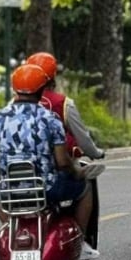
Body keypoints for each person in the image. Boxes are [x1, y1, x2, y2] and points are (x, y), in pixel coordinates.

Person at [0, 63, 100, 260]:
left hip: (11, 191)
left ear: (15, 89)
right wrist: (77, 173)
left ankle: (11, 229)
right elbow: (63, 162)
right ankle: (80, 243)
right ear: (41, 90)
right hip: (48, 188)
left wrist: (5, 178)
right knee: (85, 187)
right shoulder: (49, 118)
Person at [25, 52, 106, 180]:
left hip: (21, 171)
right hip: (56, 172)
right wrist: (95, 152)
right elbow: (82, 137)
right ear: (53, 76)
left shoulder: (11, 107)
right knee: (83, 183)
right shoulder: (63, 104)